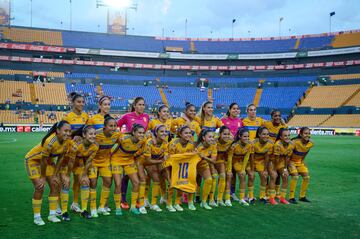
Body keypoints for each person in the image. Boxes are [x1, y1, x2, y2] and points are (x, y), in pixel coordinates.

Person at [24, 121, 71, 225]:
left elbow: (61, 157)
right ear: (58, 131)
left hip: (48, 161)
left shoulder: (67, 141)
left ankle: (52, 215)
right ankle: (37, 217)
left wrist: (55, 174)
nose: (68, 133)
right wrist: (43, 177)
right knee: (40, 186)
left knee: (55, 184)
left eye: (69, 131)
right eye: (65, 131)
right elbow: (43, 160)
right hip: (34, 161)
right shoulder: (50, 141)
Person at [117, 97, 150, 209]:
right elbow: (117, 125)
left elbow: (145, 132)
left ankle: (137, 200)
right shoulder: (127, 116)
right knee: (126, 176)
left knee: (139, 177)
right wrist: (122, 135)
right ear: (134, 106)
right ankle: (123, 200)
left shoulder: (146, 117)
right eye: (139, 104)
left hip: (139, 151)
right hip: (128, 151)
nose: (141, 107)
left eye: (143, 104)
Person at [62, 92, 89, 213]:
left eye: (83, 102)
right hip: (68, 153)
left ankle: (75, 203)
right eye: (79, 102)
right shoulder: (67, 117)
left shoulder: (86, 116)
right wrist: (73, 138)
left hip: (80, 154)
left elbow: (87, 133)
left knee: (78, 179)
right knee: (63, 179)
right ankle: (60, 206)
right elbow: (63, 135)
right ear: (73, 103)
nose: (81, 104)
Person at [111, 124, 146, 215]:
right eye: (139, 133)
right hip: (117, 160)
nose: (142, 135)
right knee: (118, 184)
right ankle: (118, 207)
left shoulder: (143, 141)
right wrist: (109, 158)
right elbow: (112, 147)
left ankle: (133, 207)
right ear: (133, 132)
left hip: (129, 161)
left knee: (136, 182)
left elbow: (143, 149)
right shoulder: (123, 138)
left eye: (143, 133)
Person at [90, 116, 121, 217]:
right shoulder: (96, 134)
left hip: (106, 161)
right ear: (104, 127)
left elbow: (121, 143)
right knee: (93, 183)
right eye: (110, 126)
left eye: (114, 126)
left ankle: (101, 207)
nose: (113, 128)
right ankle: (93, 208)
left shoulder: (117, 134)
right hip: (93, 161)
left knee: (108, 182)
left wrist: (113, 153)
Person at [67, 125, 99, 218]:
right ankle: (63, 207)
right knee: (69, 183)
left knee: (84, 181)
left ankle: (83, 210)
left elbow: (89, 160)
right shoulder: (76, 144)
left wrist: (84, 174)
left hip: (81, 163)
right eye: (90, 134)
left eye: (94, 134)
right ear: (84, 135)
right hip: (69, 162)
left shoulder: (95, 145)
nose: (93, 136)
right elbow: (71, 161)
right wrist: (68, 175)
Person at [140, 124, 169, 213]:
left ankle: (149, 201)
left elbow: (166, 154)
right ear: (156, 133)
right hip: (143, 162)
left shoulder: (165, 143)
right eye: (161, 131)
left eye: (165, 131)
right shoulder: (149, 142)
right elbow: (148, 160)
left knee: (155, 178)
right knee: (154, 179)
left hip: (155, 161)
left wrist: (166, 156)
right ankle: (150, 203)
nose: (164, 133)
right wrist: (161, 161)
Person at [168, 126, 197, 211]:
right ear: (180, 134)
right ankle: (169, 204)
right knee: (172, 183)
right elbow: (170, 157)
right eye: (186, 133)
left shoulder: (191, 144)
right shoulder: (173, 143)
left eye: (189, 133)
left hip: (185, 166)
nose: (188, 135)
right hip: (171, 166)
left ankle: (178, 203)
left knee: (184, 182)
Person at [228, 128, 253, 206]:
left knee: (246, 175)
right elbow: (230, 158)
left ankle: (244, 197)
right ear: (239, 136)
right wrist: (229, 169)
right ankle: (234, 195)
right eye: (245, 136)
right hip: (234, 162)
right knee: (236, 177)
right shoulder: (234, 145)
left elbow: (247, 157)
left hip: (242, 162)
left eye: (248, 136)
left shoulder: (249, 145)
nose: (247, 138)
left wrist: (243, 169)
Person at [288, 127, 314, 204]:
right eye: (305, 133)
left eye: (309, 133)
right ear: (300, 134)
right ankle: (291, 197)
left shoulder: (311, 143)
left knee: (306, 176)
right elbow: (288, 154)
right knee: (295, 176)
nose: (308, 135)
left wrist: (302, 162)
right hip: (290, 162)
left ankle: (302, 196)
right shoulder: (294, 142)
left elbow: (305, 152)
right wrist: (287, 165)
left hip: (299, 162)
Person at [251, 126, 274, 204]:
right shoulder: (253, 143)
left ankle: (262, 196)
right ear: (259, 135)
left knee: (264, 175)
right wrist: (252, 168)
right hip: (251, 161)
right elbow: (251, 157)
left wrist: (265, 169)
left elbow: (267, 157)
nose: (266, 136)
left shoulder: (270, 143)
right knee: (252, 176)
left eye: (267, 134)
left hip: (261, 162)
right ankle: (250, 196)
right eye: (264, 134)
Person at [196, 129, 217, 210]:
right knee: (192, 181)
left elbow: (213, 161)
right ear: (204, 138)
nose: (212, 139)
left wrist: (203, 157)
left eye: (213, 137)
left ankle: (203, 202)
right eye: (209, 137)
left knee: (209, 180)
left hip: (203, 165)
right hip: (193, 166)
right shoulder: (198, 147)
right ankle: (188, 200)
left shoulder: (213, 146)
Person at [272, 128, 293, 205]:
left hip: (281, 163)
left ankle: (282, 198)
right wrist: (274, 170)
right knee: (274, 176)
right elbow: (276, 159)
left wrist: (285, 169)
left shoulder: (291, 144)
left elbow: (287, 157)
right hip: (273, 162)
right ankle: (271, 197)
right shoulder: (277, 144)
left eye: (288, 135)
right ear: (281, 137)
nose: (287, 137)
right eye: (285, 136)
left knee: (285, 175)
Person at [213, 126, 233, 207]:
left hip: (220, 161)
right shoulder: (214, 141)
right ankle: (211, 198)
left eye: (228, 134)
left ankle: (220, 199)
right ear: (220, 134)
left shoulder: (230, 142)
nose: (227, 136)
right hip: (210, 162)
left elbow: (229, 156)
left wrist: (229, 169)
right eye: (224, 134)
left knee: (224, 176)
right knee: (214, 177)